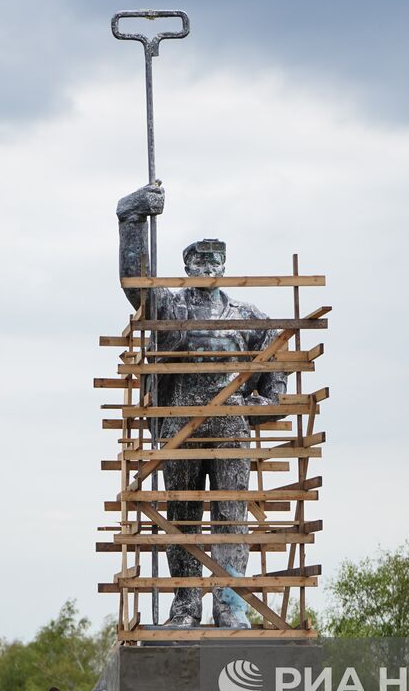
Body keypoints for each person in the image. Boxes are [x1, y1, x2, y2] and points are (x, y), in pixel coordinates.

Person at [116, 184, 288, 628]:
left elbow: (276, 362)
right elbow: (136, 286)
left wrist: (265, 401)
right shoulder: (172, 310)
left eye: (215, 258)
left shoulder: (247, 317)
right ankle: (185, 606)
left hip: (230, 426)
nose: (208, 265)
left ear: (225, 266)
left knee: (231, 515)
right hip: (180, 424)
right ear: (186, 265)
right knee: (183, 517)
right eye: (199, 258)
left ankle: (230, 604)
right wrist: (132, 218)